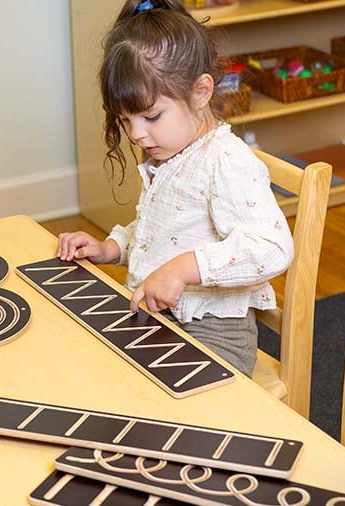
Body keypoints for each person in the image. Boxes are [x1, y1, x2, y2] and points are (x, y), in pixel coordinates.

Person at [56, 0, 293, 377]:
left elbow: (274, 247)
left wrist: (184, 269)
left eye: (150, 116)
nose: (136, 133)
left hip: (213, 339)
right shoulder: (172, 153)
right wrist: (110, 247)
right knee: (76, 361)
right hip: (161, 322)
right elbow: (165, 230)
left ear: (201, 92)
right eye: (125, 119)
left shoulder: (226, 161)